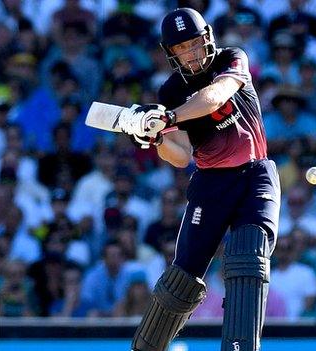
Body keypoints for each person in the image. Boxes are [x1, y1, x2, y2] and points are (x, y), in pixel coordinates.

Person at [115, 7, 280, 351]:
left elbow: (216, 96)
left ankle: (241, 347)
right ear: (170, 53)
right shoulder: (170, 91)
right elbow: (181, 155)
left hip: (254, 175)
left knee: (248, 258)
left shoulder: (231, 59)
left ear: (207, 39)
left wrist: (169, 117)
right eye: (181, 49)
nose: (190, 54)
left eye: (193, 44)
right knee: (182, 277)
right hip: (211, 183)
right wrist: (156, 137)